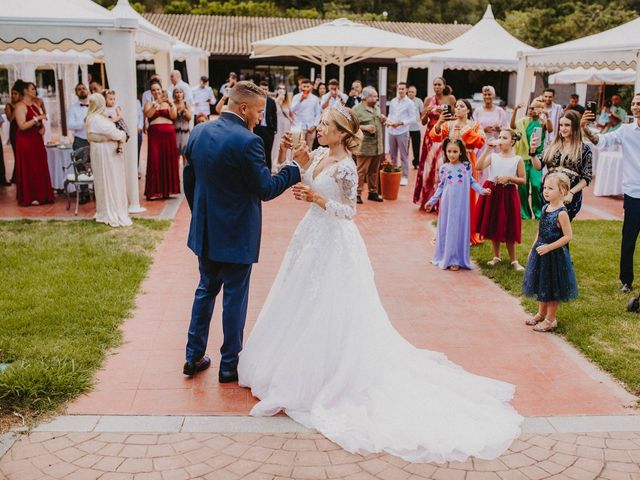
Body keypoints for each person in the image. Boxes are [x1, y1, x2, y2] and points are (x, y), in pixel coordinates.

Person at [239, 107, 520, 463]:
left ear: (341, 133)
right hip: (309, 238)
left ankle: (327, 372)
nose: (320, 128)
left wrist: (319, 199)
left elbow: (349, 212)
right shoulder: (322, 155)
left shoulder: (345, 166)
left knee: (330, 304)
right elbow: (304, 176)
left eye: (325, 125)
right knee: (300, 300)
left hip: (334, 243)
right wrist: (298, 157)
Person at [182, 81, 308, 382]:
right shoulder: (249, 142)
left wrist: (201, 214)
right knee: (234, 299)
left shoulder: (198, 131)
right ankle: (228, 366)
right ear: (243, 108)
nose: (260, 118)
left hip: (206, 231)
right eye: (258, 111)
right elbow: (265, 188)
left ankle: (192, 356)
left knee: (205, 290)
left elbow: (190, 182)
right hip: (237, 234)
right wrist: (294, 168)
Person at [582, 93, 640, 293]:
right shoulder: (625, 130)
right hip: (633, 192)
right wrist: (585, 128)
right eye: (633, 103)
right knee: (629, 238)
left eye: (639, 103)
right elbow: (600, 141)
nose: (635, 106)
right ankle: (626, 281)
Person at [523, 172, 578, 332]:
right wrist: (533, 248)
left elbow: (568, 236)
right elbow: (540, 232)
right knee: (542, 283)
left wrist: (549, 247)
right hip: (541, 252)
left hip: (554, 255)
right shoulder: (546, 207)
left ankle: (551, 319)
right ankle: (541, 313)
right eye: (545, 187)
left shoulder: (561, 213)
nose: (545, 191)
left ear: (562, 191)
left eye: (550, 188)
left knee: (553, 286)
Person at [426, 139, 491, 270]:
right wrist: (431, 201)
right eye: (449, 151)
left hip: (462, 205)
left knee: (458, 229)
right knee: (447, 228)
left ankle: (456, 259)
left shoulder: (466, 166)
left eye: (455, 151)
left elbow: (472, 181)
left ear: (461, 151)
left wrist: (482, 191)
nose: (452, 154)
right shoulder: (444, 168)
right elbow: (440, 187)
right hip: (447, 204)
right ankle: (446, 257)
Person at [430, 99, 486, 245]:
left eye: (462, 106)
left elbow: (479, 142)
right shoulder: (449, 124)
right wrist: (439, 122)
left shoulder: (474, 125)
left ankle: (467, 233)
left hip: (468, 161)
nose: (458, 108)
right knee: (448, 195)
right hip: (450, 163)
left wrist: (466, 131)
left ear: (468, 110)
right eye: (457, 106)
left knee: (468, 196)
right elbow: (434, 136)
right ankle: (446, 232)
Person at [475, 129, 526, 270]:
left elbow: (522, 180)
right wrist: (487, 150)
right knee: (494, 222)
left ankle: (513, 260)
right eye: (500, 137)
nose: (501, 140)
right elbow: (478, 166)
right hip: (493, 191)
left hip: (509, 193)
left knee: (509, 223)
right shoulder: (493, 157)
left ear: (512, 141)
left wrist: (509, 178)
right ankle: (496, 255)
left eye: (505, 138)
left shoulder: (517, 159)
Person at [531, 110, 592, 221]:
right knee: (546, 228)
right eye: (561, 125)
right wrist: (533, 153)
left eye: (567, 125)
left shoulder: (583, 149)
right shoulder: (552, 146)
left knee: (562, 230)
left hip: (568, 196)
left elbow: (586, 178)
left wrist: (571, 193)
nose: (563, 128)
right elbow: (538, 166)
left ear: (575, 126)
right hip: (548, 193)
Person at [85, 93, 131, 228]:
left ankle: (105, 209)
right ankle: (111, 210)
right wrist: (121, 135)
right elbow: (115, 133)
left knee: (104, 180)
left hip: (101, 152)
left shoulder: (91, 118)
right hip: (106, 154)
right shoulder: (97, 119)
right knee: (110, 180)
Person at [413, 77, 456, 210]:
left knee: (441, 166)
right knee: (428, 167)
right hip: (430, 137)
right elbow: (423, 121)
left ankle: (441, 202)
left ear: (444, 86)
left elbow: (455, 117)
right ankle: (427, 200)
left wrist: (444, 115)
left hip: (444, 135)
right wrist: (427, 111)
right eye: (435, 84)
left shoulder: (450, 99)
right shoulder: (428, 100)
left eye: (439, 84)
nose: (437, 87)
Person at [511, 98, 553, 220]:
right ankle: (525, 214)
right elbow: (512, 126)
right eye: (530, 108)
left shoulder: (542, 123)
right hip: (523, 158)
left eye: (534, 108)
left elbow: (550, 130)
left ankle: (539, 213)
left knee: (536, 185)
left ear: (540, 109)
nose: (531, 110)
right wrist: (515, 110)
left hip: (537, 159)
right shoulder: (524, 122)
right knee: (523, 187)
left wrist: (547, 115)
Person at [14, 81, 54, 206]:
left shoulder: (36, 105)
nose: (34, 91)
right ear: (25, 91)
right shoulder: (20, 106)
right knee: (29, 167)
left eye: (35, 89)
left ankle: (42, 194)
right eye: (32, 89)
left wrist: (42, 128)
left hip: (37, 139)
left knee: (39, 165)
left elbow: (40, 124)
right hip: (25, 141)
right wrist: (37, 119)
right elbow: (22, 125)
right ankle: (30, 196)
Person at [143, 82, 180, 200]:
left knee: (168, 159)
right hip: (155, 135)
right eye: (153, 90)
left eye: (158, 89)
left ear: (161, 90)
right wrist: (156, 104)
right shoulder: (149, 104)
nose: (156, 92)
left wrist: (171, 104)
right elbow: (148, 115)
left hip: (169, 134)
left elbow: (174, 116)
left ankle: (168, 191)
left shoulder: (168, 103)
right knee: (155, 159)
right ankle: (154, 191)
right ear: (151, 92)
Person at [353, 86, 386, 204]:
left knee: (374, 171)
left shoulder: (376, 108)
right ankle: (356, 193)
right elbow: (351, 126)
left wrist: (382, 119)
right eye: (374, 96)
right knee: (361, 171)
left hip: (377, 145)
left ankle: (373, 192)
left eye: (376, 96)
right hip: (364, 146)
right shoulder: (357, 109)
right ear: (366, 97)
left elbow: (378, 120)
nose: (376, 98)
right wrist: (365, 127)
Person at [472, 85, 508, 181]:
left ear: (494, 95)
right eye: (485, 94)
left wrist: (499, 129)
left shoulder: (500, 111)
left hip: (496, 145)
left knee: (495, 170)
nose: (487, 96)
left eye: (489, 94)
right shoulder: (477, 111)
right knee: (481, 171)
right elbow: (472, 129)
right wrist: (483, 130)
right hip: (482, 146)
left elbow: (506, 130)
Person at [387, 82, 417, 186]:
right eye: (399, 89)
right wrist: (388, 122)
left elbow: (413, 118)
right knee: (392, 155)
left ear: (406, 90)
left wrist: (401, 123)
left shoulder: (409, 103)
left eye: (403, 89)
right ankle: (393, 173)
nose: (400, 91)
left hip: (402, 132)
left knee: (404, 156)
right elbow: (390, 114)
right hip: (391, 131)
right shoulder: (393, 101)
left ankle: (404, 176)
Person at [254, 81, 278, 171]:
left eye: (265, 89)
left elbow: (274, 116)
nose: (264, 91)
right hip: (257, 128)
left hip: (268, 130)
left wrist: (275, 129)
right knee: (258, 151)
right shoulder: (255, 100)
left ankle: (268, 171)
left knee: (268, 152)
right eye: (262, 89)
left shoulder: (271, 101)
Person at [291, 78, 322, 148]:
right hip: (299, 126)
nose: (305, 88)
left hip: (311, 126)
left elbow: (318, 113)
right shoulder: (296, 97)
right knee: (298, 147)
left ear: (311, 87)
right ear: (301, 86)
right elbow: (292, 110)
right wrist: (300, 100)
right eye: (304, 86)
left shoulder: (315, 98)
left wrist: (314, 125)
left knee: (309, 148)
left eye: (307, 86)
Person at [271, 83, 294, 171]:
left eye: (283, 88)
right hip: (278, 125)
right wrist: (278, 100)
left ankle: (285, 163)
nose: (282, 90)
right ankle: (274, 165)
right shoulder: (274, 100)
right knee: (277, 144)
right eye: (280, 88)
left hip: (286, 125)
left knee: (286, 143)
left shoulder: (288, 101)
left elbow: (291, 114)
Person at [172, 88, 192, 166]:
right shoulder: (172, 104)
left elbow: (190, 118)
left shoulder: (186, 104)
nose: (179, 94)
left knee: (185, 155)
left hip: (185, 131)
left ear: (183, 94)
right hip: (175, 132)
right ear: (174, 95)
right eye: (177, 92)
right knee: (176, 155)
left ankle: (185, 175)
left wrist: (185, 110)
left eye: (180, 92)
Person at [67, 83, 90, 150]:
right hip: (80, 141)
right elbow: (70, 125)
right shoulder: (72, 108)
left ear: (87, 91)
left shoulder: (94, 106)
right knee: (81, 160)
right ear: (76, 93)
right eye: (79, 89)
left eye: (84, 88)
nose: (82, 90)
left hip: (95, 140)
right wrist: (84, 122)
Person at [407, 85, 423, 169]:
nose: (411, 93)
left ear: (415, 93)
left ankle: (416, 162)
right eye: (409, 91)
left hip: (416, 128)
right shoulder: (404, 101)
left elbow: (422, 113)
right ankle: (404, 163)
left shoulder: (419, 101)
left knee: (416, 147)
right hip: (405, 128)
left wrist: (418, 120)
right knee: (405, 147)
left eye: (412, 92)